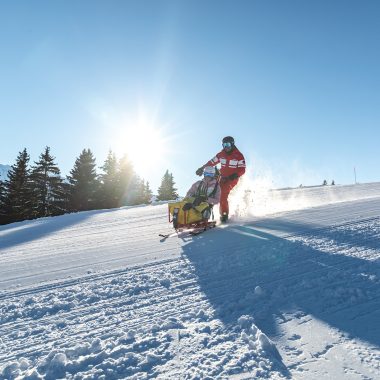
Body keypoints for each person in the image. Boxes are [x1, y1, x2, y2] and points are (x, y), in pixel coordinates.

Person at [196, 136, 245, 222]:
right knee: (210, 192)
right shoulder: (221, 154)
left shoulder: (239, 155)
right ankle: (204, 214)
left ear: (232, 144)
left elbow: (242, 169)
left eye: (228, 144)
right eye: (224, 144)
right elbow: (211, 162)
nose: (226, 146)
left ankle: (224, 215)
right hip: (222, 177)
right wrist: (201, 168)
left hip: (232, 179)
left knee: (222, 194)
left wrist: (235, 174)